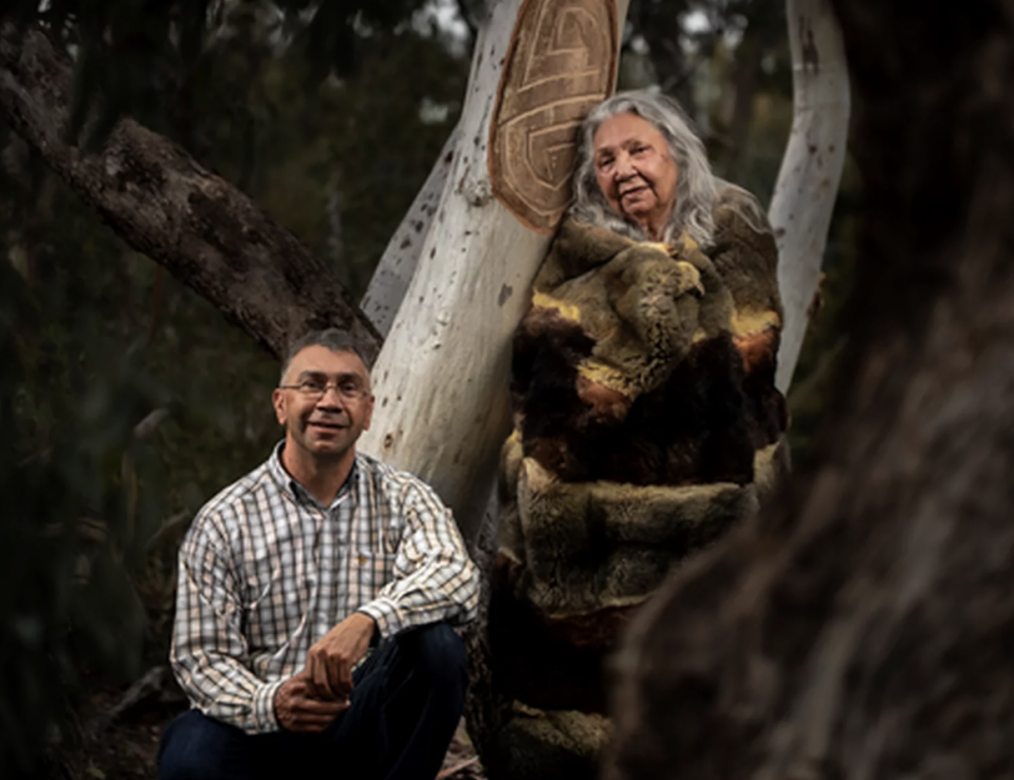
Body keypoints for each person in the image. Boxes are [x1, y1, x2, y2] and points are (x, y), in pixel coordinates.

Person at [484, 90, 789, 776]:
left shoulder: (733, 227)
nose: (622, 169)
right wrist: (648, 302)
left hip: (717, 498)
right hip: (594, 522)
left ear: (677, 154)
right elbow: (546, 378)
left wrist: (669, 298)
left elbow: (746, 362)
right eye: (605, 160)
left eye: (638, 149)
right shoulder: (578, 256)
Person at [157, 328, 480, 780]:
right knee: (188, 750)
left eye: (348, 388)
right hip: (265, 729)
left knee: (436, 649)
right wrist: (272, 704)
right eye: (312, 384)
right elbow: (201, 658)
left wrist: (369, 621)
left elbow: (456, 576)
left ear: (368, 412)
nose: (329, 401)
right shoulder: (223, 521)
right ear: (280, 404)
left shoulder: (406, 498)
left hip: (365, 724)